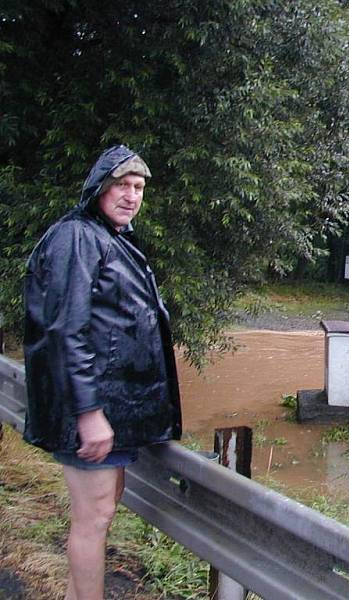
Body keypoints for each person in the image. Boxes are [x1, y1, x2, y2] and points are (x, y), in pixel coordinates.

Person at [23, 145, 182, 600]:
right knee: (92, 521)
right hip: (93, 414)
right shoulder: (77, 238)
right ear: (99, 188)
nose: (131, 196)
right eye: (122, 185)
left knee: (100, 514)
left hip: (112, 412)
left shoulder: (109, 238)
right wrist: (88, 412)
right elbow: (65, 330)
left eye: (138, 187)